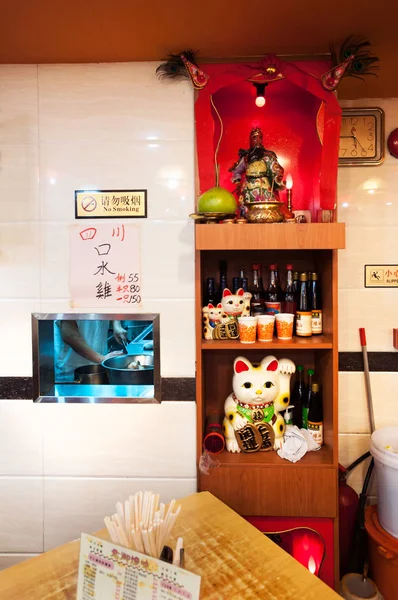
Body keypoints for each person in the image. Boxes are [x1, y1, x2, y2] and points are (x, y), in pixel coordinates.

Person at [229, 126, 285, 214]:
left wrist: (278, 174)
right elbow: (236, 170)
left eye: (260, 138)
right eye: (254, 138)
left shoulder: (268, 156)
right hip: (248, 186)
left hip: (264, 186)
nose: (257, 140)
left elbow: (274, 169)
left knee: (267, 207)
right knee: (247, 207)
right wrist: (238, 180)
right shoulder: (246, 158)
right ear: (250, 140)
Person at [54, 319, 127, 382]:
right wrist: (101, 358)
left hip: (99, 369)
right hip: (74, 373)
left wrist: (116, 324)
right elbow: (69, 334)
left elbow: (112, 306)